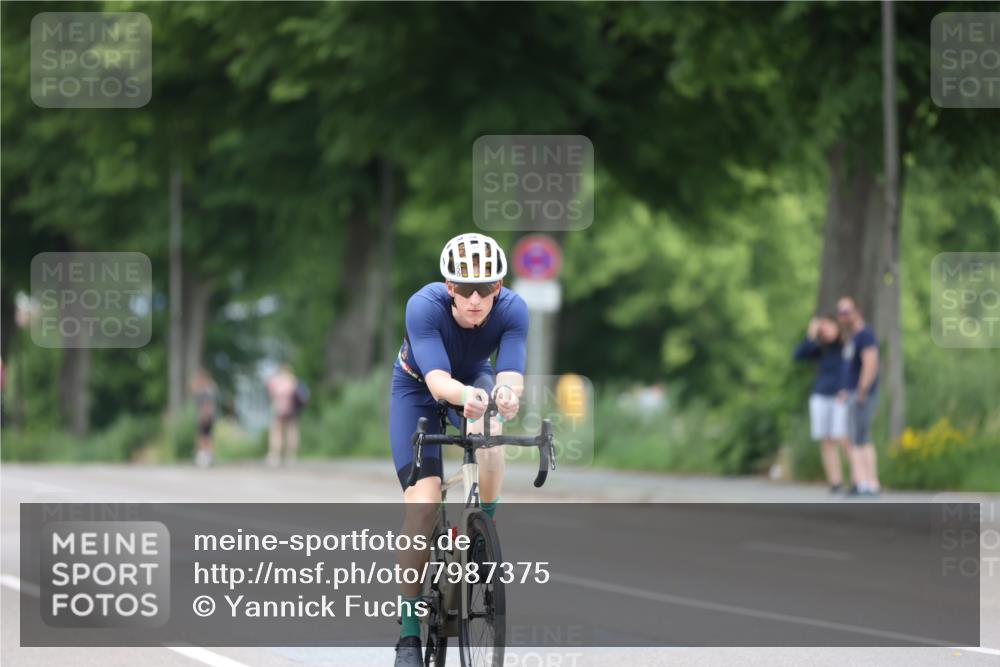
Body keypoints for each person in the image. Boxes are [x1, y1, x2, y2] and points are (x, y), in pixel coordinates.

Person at [390, 233, 527, 667]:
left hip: (474, 378)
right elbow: (437, 382)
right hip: (419, 388)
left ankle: (483, 528)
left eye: (484, 288)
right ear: (448, 287)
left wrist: (505, 395)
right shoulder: (423, 306)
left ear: (498, 287)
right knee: (424, 506)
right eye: (464, 289)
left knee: (490, 427)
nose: (474, 299)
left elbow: (511, 373)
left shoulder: (513, 309)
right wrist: (464, 395)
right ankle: (409, 634)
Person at [793, 316, 850, 493]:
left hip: (840, 396)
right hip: (821, 395)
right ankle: (835, 481)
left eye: (828, 326)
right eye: (822, 328)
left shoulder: (846, 347)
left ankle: (859, 478)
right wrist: (811, 332)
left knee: (843, 437)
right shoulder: (820, 349)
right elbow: (798, 355)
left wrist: (846, 387)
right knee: (826, 440)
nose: (825, 330)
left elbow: (852, 368)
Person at [837, 296, 882, 496]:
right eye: (840, 313)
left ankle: (867, 483)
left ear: (857, 311)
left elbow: (871, 363)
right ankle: (863, 481)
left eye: (846, 312)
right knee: (856, 438)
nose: (843, 317)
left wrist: (863, 389)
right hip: (852, 393)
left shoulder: (865, 335)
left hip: (862, 394)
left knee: (859, 438)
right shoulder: (853, 337)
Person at [266, 364, 300, 467]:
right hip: (291, 410)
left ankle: (275, 455)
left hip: (278, 410)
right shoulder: (293, 381)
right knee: (291, 432)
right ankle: (291, 455)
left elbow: (271, 392)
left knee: (277, 433)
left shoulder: (276, 380)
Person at [190, 368, 218, 468]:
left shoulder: (207, 389)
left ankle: (206, 457)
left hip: (206, 416)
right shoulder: (205, 388)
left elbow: (207, 404)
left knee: (204, 437)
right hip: (205, 415)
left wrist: (205, 416)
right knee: (205, 436)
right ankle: (206, 456)